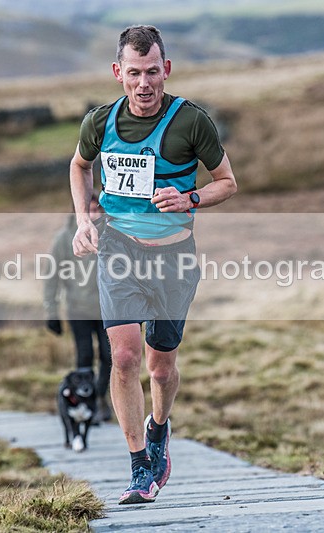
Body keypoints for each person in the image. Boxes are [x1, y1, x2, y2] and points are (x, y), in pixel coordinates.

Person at [69, 25, 237, 504]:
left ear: (166, 70)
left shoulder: (192, 122)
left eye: (153, 73)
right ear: (118, 73)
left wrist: (189, 196)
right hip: (119, 249)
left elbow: (227, 182)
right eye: (134, 74)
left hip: (174, 257)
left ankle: (159, 428)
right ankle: (140, 466)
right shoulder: (99, 122)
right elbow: (79, 165)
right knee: (123, 357)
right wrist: (85, 221)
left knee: (160, 368)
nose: (144, 84)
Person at [43, 194, 112, 424]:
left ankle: (100, 397)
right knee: (84, 356)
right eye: (89, 208)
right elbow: (51, 277)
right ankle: (84, 401)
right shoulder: (64, 239)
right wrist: (51, 312)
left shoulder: (111, 235)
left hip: (108, 309)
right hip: (78, 310)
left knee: (109, 355)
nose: (94, 213)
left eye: (97, 208)